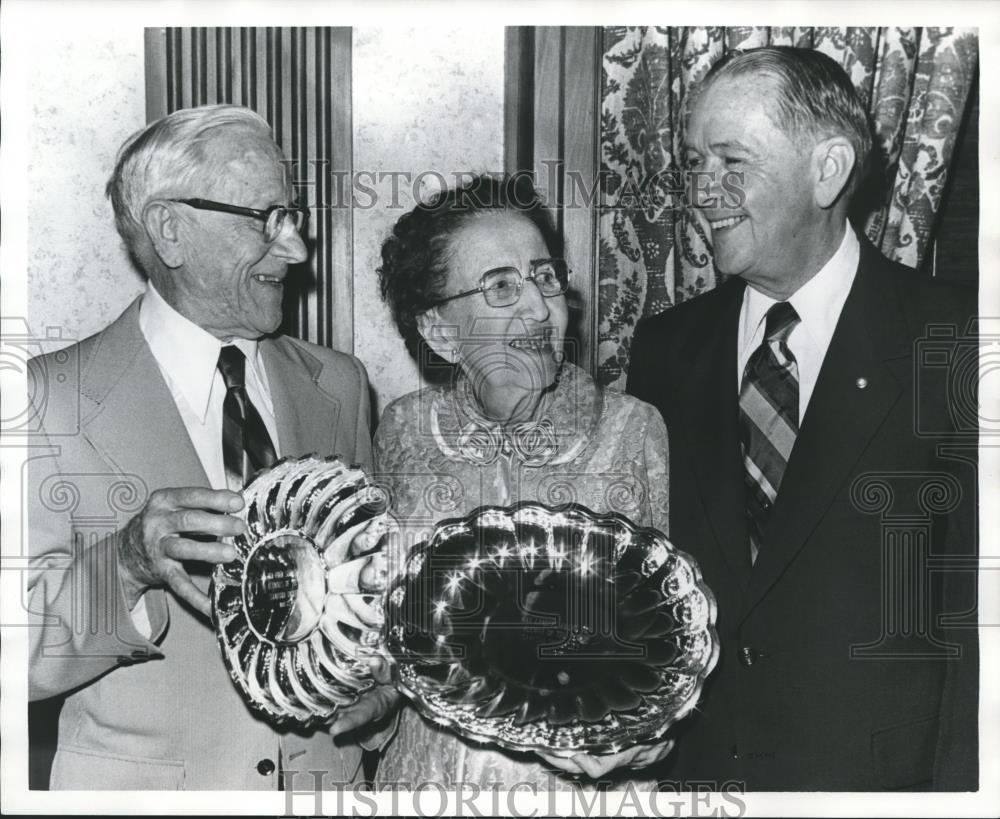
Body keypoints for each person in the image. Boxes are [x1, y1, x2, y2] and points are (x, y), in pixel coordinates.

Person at [627, 47, 978, 790]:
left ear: (829, 170)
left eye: (732, 162)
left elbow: (977, 619)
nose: (703, 191)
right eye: (694, 162)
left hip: (877, 781)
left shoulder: (952, 342)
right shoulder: (664, 349)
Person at [26, 104, 393, 789]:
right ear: (170, 231)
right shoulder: (47, 401)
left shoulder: (339, 386)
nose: (296, 251)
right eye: (266, 219)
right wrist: (129, 562)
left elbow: (372, 591)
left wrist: (380, 687)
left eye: (292, 218)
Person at [373, 174, 675, 788]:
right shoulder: (403, 431)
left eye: (544, 277)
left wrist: (642, 741)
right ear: (439, 330)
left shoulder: (632, 431)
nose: (539, 307)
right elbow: (386, 629)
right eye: (502, 287)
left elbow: (669, 642)